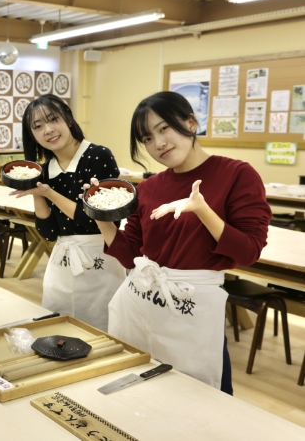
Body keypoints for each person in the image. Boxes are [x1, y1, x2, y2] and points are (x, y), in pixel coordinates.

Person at [90, 91, 271, 394]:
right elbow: (131, 254)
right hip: (144, 301)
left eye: (164, 128)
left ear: (190, 122)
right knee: (144, 389)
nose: (158, 143)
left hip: (194, 309)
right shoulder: (149, 187)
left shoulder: (237, 174)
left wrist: (202, 210)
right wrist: (98, 214)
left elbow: (249, 251)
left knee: (203, 395)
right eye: (147, 138)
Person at [9, 94, 126, 332]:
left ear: (68, 120)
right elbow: (49, 232)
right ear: (32, 135)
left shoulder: (98, 156)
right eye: (38, 126)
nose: (48, 130)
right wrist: (37, 191)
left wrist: (50, 193)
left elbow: (97, 221)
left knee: (102, 331)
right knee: (60, 331)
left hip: (100, 260)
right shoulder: (45, 169)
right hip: (61, 263)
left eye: (54, 120)